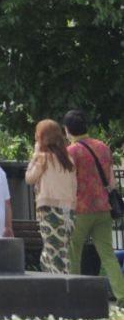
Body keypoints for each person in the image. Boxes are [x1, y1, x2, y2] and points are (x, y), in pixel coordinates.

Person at [64, 109, 124, 303]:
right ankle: (121, 295)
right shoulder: (102, 147)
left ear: (67, 130)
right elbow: (111, 181)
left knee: (74, 252)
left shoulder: (71, 151)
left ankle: (74, 294)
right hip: (103, 207)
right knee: (108, 255)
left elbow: (68, 180)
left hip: (80, 209)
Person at [26, 118, 77, 275]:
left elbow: (29, 178)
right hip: (69, 211)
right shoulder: (68, 160)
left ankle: (61, 287)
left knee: (53, 252)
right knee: (61, 250)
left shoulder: (43, 158)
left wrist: (35, 154)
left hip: (49, 210)